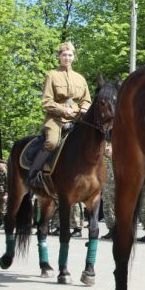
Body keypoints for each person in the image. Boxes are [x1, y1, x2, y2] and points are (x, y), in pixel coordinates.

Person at [29, 42, 92, 188]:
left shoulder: (80, 79)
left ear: (74, 57)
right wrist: (62, 110)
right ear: (59, 56)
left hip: (77, 118)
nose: (67, 58)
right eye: (64, 55)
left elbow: (86, 100)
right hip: (55, 118)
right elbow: (46, 101)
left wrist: (83, 109)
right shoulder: (52, 75)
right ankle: (33, 175)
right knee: (52, 142)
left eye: (70, 55)